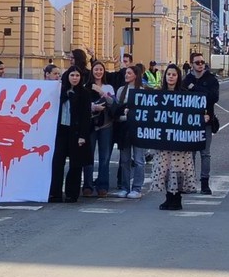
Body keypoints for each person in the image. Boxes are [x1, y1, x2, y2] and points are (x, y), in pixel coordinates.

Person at [151, 64, 205, 210]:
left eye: (174, 74)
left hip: (180, 140)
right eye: (169, 74)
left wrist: (202, 118)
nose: (171, 77)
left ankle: (177, 199)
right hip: (164, 139)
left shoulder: (185, 94)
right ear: (165, 76)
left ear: (178, 77)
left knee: (178, 169)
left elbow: (192, 113)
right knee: (166, 168)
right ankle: (169, 197)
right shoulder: (158, 94)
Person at [49, 66, 91, 203]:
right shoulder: (59, 91)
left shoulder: (84, 93)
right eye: (72, 75)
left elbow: (86, 116)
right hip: (61, 131)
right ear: (67, 76)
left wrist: (83, 136)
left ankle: (71, 193)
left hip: (76, 132)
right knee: (57, 162)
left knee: (75, 164)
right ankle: (55, 193)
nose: (75, 78)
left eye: (77, 76)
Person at [182, 52, 219, 195]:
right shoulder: (186, 80)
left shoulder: (211, 79)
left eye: (202, 62)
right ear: (191, 64)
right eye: (197, 62)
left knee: (205, 153)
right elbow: (182, 99)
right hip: (190, 122)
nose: (200, 65)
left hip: (206, 121)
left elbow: (213, 97)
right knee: (190, 153)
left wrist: (195, 89)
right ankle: (190, 181)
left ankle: (205, 183)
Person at [82, 61, 116, 197]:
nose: (98, 72)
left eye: (101, 70)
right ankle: (88, 185)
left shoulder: (109, 87)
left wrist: (101, 92)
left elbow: (113, 103)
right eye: (96, 69)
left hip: (106, 125)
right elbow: (83, 104)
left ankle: (103, 186)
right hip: (90, 125)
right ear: (92, 71)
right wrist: (93, 107)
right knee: (88, 156)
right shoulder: (86, 87)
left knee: (105, 156)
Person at [114, 65, 146, 199]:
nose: (126, 75)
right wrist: (123, 116)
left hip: (138, 128)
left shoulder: (142, 90)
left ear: (136, 75)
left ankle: (137, 188)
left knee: (139, 160)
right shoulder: (121, 90)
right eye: (126, 73)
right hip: (124, 127)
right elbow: (116, 109)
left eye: (129, 73)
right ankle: (125, 187)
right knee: (124, 159)